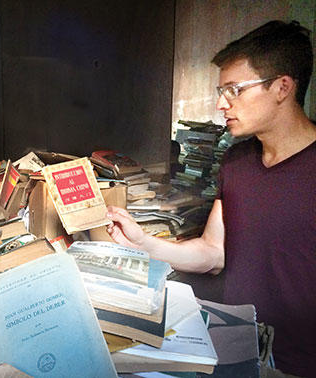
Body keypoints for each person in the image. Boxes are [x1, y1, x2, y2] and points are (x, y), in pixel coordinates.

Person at [106, 20, 316, 378]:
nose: (221, 104)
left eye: (235, 90)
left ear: (282, 87)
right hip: (234, 352)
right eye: (222, 91)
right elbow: (213, 252)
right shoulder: (237, 162)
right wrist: (142, 242)